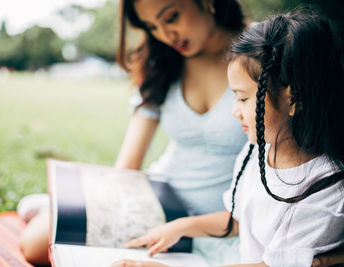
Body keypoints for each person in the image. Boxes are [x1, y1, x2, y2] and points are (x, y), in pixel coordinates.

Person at [19, 0, 248, 265]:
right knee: (35, 245)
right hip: (157, 204)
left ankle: (54, 205)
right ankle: (61, 205)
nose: (165, 35)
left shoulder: (263, 49)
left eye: (172, 17)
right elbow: (128, 166)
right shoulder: (162, 61)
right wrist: (103, 211)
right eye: (152, 27)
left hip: (223, 222)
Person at [111, 10, 344, 267]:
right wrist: (181, 227)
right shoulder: (255, 153)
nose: (235, 111)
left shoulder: (325, 192)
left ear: (294, 98)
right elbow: (238, 219)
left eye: (243, 98)